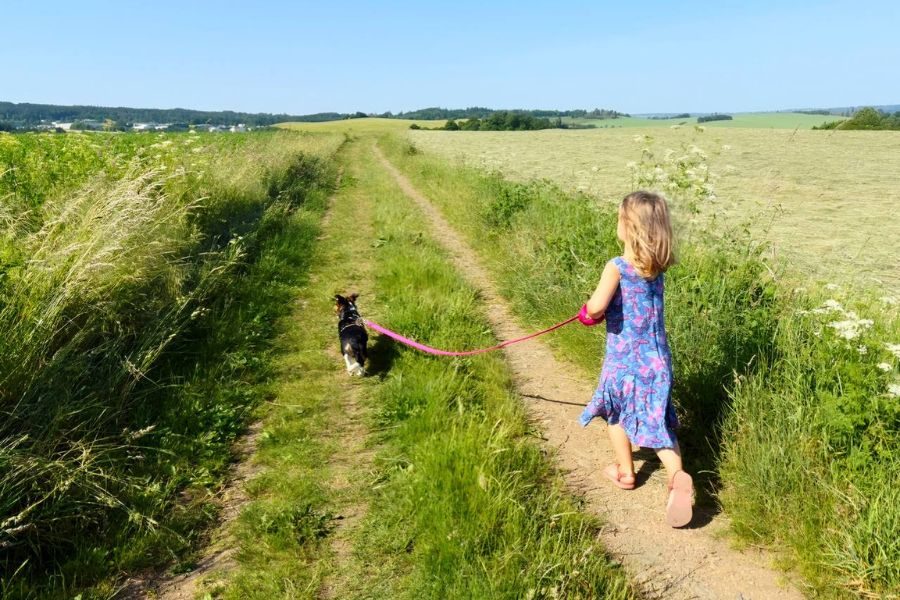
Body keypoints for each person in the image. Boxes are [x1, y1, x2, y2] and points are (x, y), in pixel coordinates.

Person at [576, 190, 692, 527]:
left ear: (628, 227)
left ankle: (626, 472)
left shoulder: (617, 267)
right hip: (658, 362)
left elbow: (596, 307)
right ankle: (676, 475)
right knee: (658, 422)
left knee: (616, 413)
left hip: (625, 361)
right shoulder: (657, 270)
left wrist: (587, 314)